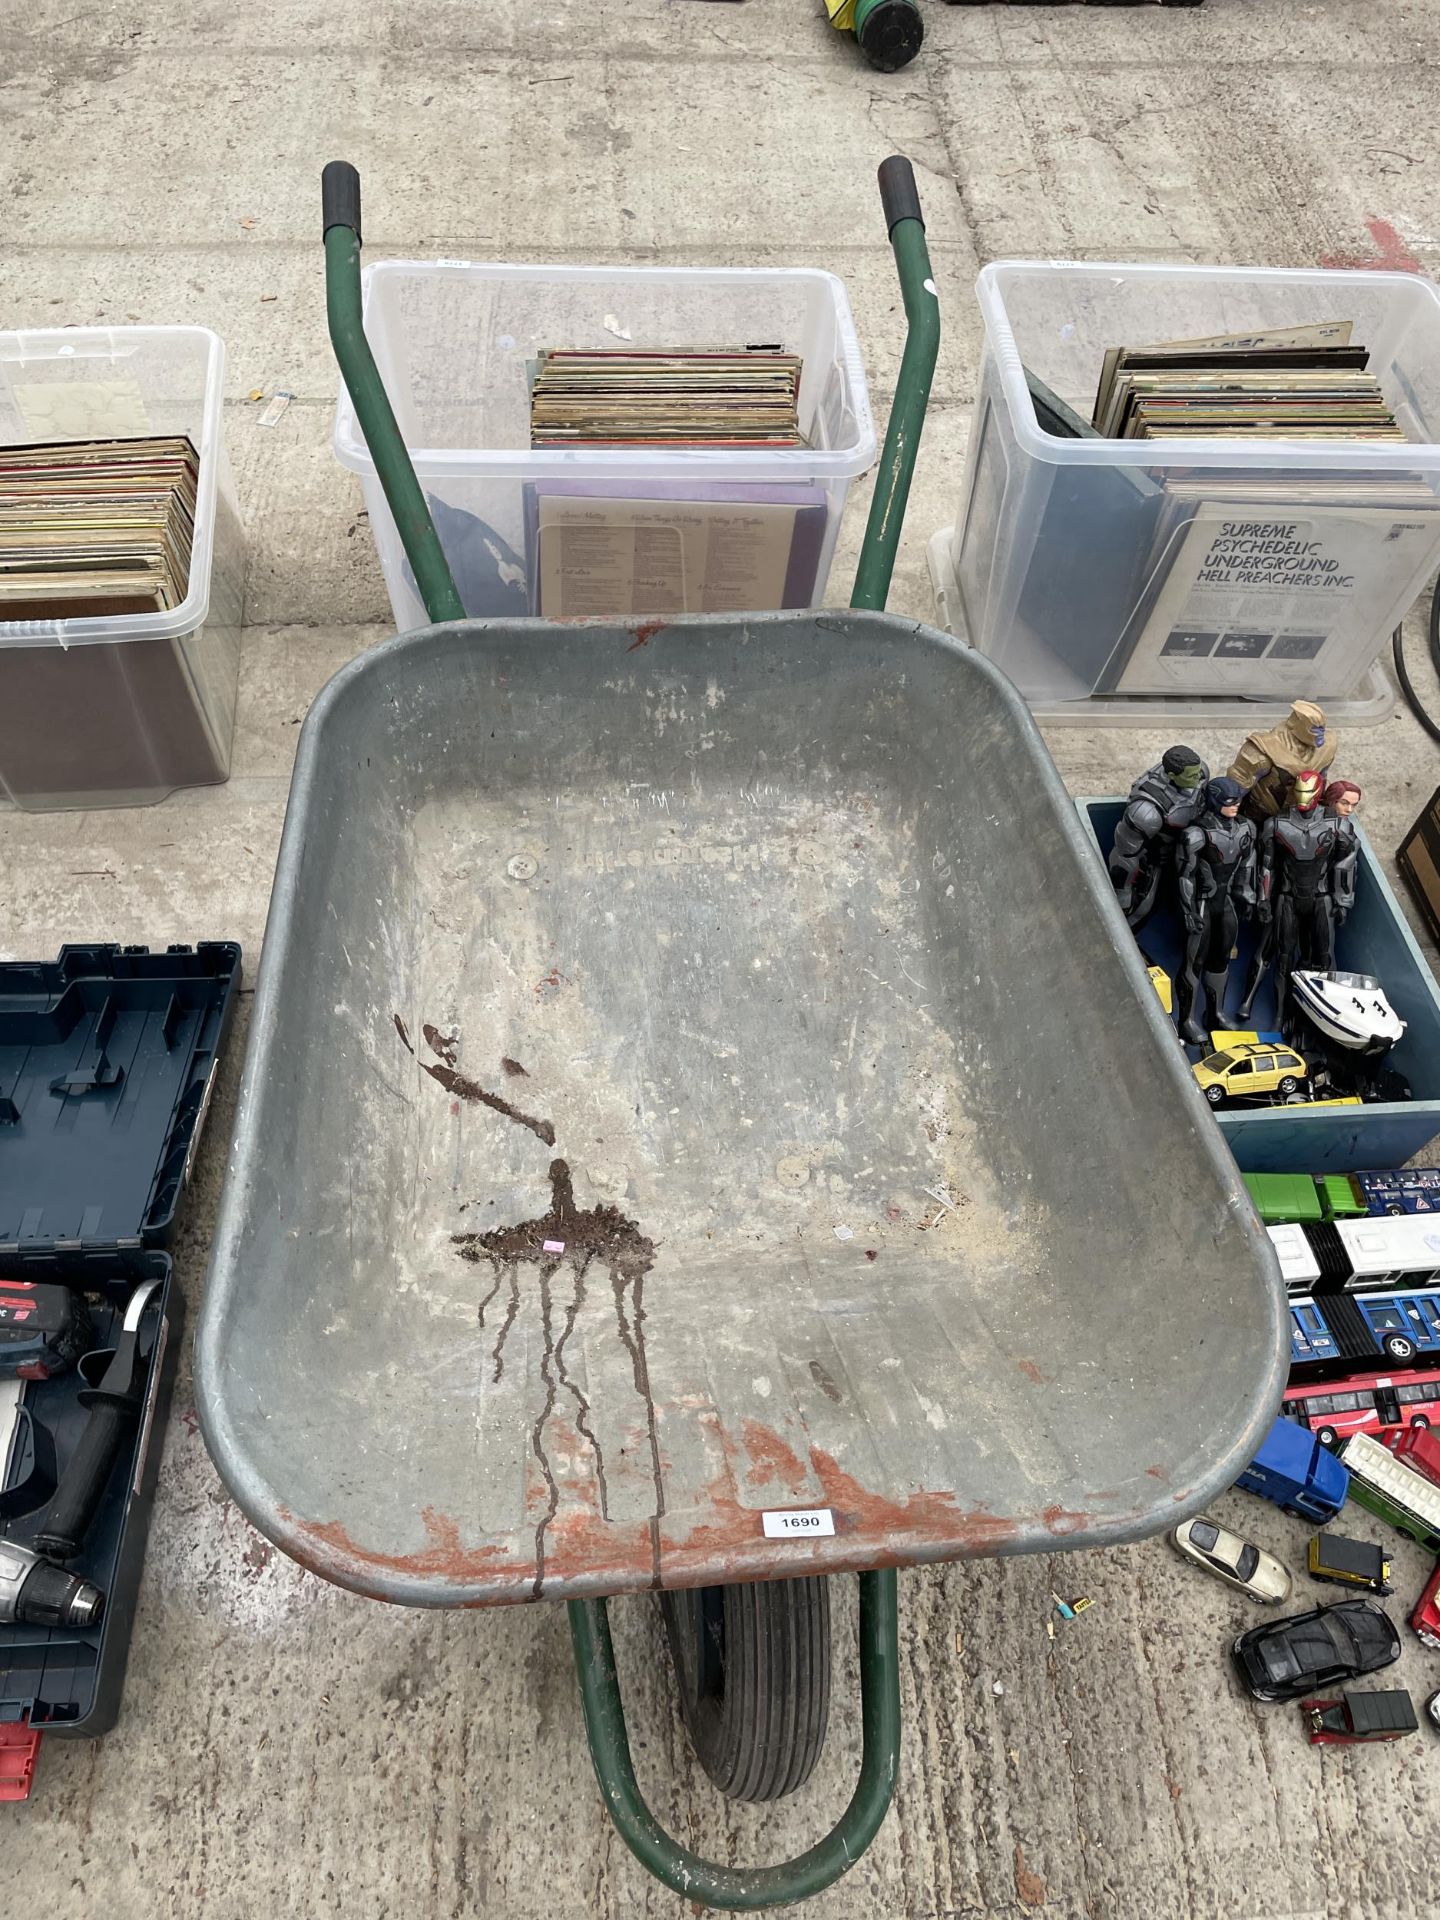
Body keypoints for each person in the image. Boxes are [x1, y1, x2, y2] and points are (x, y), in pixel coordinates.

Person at [1175, 777, 1257, 1046]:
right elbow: (1185, 875)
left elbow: (1247, 862)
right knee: (1194, 962)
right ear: (1214, 801)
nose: (1235, 806)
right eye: (1229, 801)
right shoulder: (1196, 834)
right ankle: (1186, 1020)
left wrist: (1246, 890)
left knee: (1221, 958)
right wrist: (1188, 909)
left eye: (1238, 800)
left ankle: (1215, 1014)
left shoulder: (1246, 828)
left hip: (1226, 903)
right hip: (1202, 901)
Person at [1107, 745, 1208, 931]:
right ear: (1171, 775)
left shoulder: (1199, 773)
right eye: (1191, 775)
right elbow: (1124, 858)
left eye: (1198, 772)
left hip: (1196, 846)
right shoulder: (1146, 811)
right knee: (1142, 909)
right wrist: (1123, 895)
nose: (1199, 777)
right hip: (1159, 857)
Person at [1228, 701, 1335, 822]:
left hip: (1307, 815)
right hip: (1263, 815)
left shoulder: (1328, 745)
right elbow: (1236, 786)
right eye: (1314, 729)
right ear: (1295, 724)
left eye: (1322, 729)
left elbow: (1323, 779)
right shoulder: (1263, 749)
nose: (1321, 734)